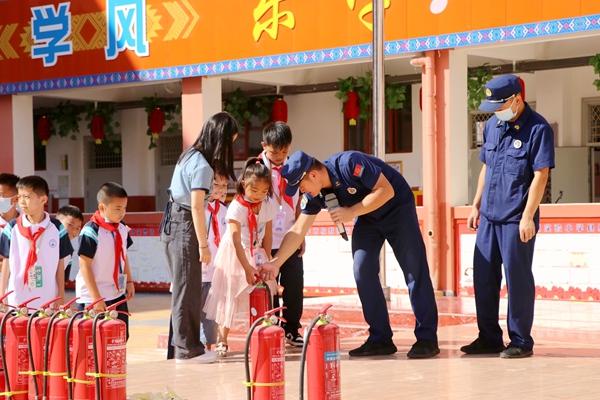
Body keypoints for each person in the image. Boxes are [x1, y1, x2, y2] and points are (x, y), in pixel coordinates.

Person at [261, 150, 440, 359]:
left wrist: (351, 212)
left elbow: (386, 190)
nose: (301, 191)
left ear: (313, 175)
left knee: (413, 269)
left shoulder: (350, 163)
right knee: (362, 269)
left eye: (300, 186)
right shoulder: (316, 194)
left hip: (397, 209)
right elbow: (298, 230)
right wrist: (275, 263)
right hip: (368, 218)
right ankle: (380, 338)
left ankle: (427, 338)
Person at [460, 75, 554, 359]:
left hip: (516, 218)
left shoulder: (538, 129)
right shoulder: (492, 125)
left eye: (501, 104)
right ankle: (488, 337)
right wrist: (475, 204)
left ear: (516, 99)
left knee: (518, 279)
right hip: (489, 216)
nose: (497, 111)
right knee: (484, 278)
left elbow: (541, 174)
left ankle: (521, 340)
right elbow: (486, 168)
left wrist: (528, 216)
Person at [160, 112, 238, 364]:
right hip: (183, 223)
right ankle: (187, 350)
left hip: (174, 220)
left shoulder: (189, 155)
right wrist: (204, 245)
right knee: (187, 289)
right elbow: (196, 206)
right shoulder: (203, 166)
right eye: (230, 143)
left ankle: (184, 347)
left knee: (186, 287)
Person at [204, 158, 278, 357]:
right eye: (254, 190)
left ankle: (260, 335)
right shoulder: (237, 206)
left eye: (264, 191)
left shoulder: (268, 204)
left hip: (257, 251)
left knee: (262, 293)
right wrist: (246, 267)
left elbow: (268, 234)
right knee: (228, 296)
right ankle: (222, 340)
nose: (259, 196)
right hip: (235, 253)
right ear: (244, 184)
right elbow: (236, 240)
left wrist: (269, 259)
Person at [259, 122, 305, 347]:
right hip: (264, 240)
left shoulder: (295, 167)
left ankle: (292, 329)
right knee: (269, 286)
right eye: (274, 152)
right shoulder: (256, 168)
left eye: (284, 151)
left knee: (294, 284)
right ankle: (270, 329)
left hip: (290, 236)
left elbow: (298, 202)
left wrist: (301, 233)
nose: (279, 157)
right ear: (264, 146)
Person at [0, 176, 72, 310]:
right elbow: (6, 261)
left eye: (26, 197)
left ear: (43, 199)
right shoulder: (12, 228)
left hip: (47, 299)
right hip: (16, 300)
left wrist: (61, 295)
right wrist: (1, 294)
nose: (21, 202)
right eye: (19, 196)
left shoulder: (57, 228)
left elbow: (60, 263)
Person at [76, 182, 135, 339]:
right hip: (93, 297)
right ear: (102, 207)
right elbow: (84, 265)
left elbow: (124, 254)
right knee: (92, 341)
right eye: (117, 208)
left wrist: (129, 281)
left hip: (116, 294)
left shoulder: (122, 228)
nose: (122, 212)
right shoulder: (90, 231)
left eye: (124, 208)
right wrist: (96, 298)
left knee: (119, 337)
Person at [200, 172, 229, 351]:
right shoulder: (198, 210)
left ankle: (210, 346)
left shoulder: (225, 211)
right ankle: (198, 347)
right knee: (197, 312)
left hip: (218, 270)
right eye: (216, 185)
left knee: (212, 314)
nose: (221, 189)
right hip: (201, 270)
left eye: (224, 186)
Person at [56, 204, 84, 282]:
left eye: (78, 228)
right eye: (70, 225)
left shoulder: (73, 249)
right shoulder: (45, 241)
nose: (74, 231)